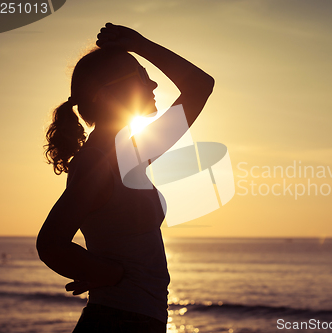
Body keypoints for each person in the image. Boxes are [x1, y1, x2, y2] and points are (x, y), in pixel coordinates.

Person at [36, 23, 214, 333]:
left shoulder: (129, 152)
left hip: (133, 319)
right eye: (142, 78)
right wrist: (106, 274)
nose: (154, 84)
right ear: (107, 95)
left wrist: (94, 269)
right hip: (119, 321)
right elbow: (51, 244)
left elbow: (201, 85)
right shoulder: (103, 161)